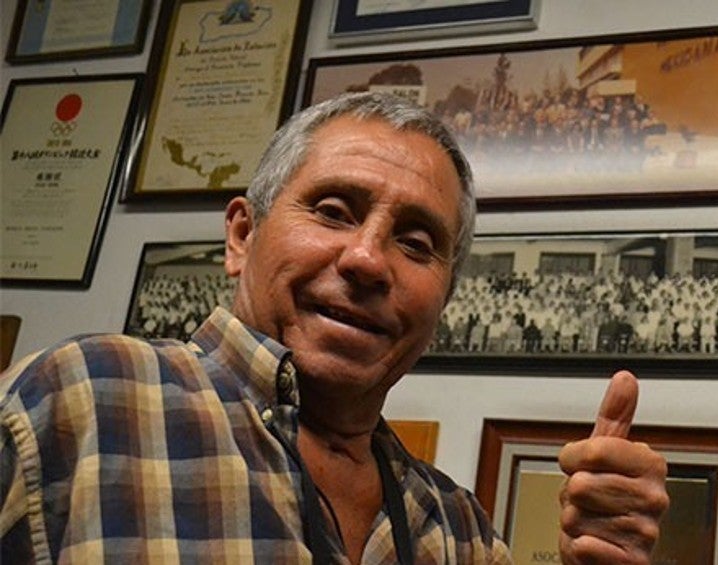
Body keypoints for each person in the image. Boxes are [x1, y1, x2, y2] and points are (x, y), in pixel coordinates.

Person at [0, 92, 668, 564]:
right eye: (332, 210)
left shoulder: (459, 531)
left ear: (443, 298)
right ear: (242, 235)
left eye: (416, 243)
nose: (368, 259)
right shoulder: (79, 404)